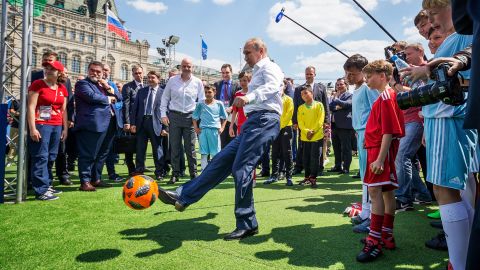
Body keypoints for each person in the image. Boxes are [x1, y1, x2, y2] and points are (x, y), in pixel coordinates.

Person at [157, 37, 283, 241]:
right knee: (220, 160)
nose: (244, 57)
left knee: (242, 169)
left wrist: (248, 97)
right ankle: (183, 195)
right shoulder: (257, 71)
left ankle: (247, 223)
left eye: (247, 53)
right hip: (253, 122)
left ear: (260, 51)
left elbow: (273, 87)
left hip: (264, 120)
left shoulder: (270, 67)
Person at [401, 2, 477, 268]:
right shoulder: (460, 37)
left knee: (445, 190)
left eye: (434, 13)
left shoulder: (462, 36)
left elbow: (457, 82)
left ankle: (458, 261)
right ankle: (463, 257)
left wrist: (427, 70)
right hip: (446, 119)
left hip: (447, 118)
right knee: (459, 189)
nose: (432, 22)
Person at [356, 60, 405, 263]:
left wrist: (380, 159)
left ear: (383, 75)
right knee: (386, 192)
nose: (366, 80)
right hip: (378, 151)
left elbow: (388, 131)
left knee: (375, 192)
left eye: (370, 76)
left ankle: (374, 239)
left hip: (378, 151)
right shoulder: (385, 96)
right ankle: (385, 234)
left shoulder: (385, 97)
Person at [393, 43, 432, 212]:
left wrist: (394, 85)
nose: (406, 57)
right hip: (407, 119)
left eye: (409, 54)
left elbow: (415, 92)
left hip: (417, 119)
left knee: (402, 157)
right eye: (405, 54)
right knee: (402, 158)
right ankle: (423, 194)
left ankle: (404, 198)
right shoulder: (408, 70)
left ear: (420, 51)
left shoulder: (426, 68)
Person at [344, 54, 379, 233]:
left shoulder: (367, 87)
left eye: (352, 74)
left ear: (363, 72)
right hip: (360, 133)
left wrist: (370, 134)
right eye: (347, 73)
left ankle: (373, 215)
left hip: (368, 134)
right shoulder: (357, 89)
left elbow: (377, 109)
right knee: (365, 175)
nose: (348, 77)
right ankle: (366, 212)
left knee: (371, 177)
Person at [74, 61, 122, 191]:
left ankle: (96, 179)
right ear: (88, 70)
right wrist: (108, 99)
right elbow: (91, 97)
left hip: (110, 123)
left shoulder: (103, 85)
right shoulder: (82, 84)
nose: (95, 73)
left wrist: (107, 87)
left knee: (102, 153)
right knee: (88, 153)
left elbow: (119, 97)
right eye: (92, 70)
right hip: (92, 124)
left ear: (102, 73)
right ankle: (85, 181)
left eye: (98, 71)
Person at [27, 60, 68, 200]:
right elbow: (31, 107)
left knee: (51, 156)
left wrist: (65, 129)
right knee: (41, 156)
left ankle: (47, 185)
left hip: (56, 125)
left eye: (52, 69)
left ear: (59, 73)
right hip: (41, 125)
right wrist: (32, 128)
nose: (48, 70)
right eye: (47, 68)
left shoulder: (62, 88)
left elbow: (64, 110)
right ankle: (41, 190)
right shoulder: (37, 84)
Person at [160, 58, 205, 184]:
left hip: (190, 117)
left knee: (190, 148)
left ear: (192, 67)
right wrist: (163, 115)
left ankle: (193, 174)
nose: (186, 68)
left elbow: (201, 101)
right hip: (174, 117)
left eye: (188, 66)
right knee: (174, 147)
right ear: (180, 67)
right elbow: (165, 98)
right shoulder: (172, 81)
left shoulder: (197, 82)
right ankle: (175, 174)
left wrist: (197, 117)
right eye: (184, 66)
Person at [293, 66, 329, 175]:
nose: (308, 76)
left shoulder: (321, 88)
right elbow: (296, 105)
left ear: (315, 75)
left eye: (311, 74)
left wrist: (326, 121)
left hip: (318, 123)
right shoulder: (299, 89)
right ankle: (299, 167)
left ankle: (319, 168)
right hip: (303, 123)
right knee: (302, 145)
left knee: (318, 147)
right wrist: (295, 122)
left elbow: (325, 104)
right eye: (307, 74)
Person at [130, 71, 166, 181]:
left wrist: (165, 128)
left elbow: (167, 111)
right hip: (141, 123)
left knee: (157, 149)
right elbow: (134, 109)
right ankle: (139, 170)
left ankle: (159, 172)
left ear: (158, 79)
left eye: (153, 78)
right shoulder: (141, 91)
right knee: (140, 148)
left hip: (156, 123)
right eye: (149, 77)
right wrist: (133, 124)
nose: (150, 79)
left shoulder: (163, 92)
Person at [264, 81, 294, 186]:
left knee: (287, 152)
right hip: (274, 128)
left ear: (285, 86)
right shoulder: (272, 100)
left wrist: (278, 126)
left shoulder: (289, 99)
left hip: (285, 128)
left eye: (281, 85)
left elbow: (288, 115)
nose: (279, 87)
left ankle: (289, 177)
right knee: (275, 152)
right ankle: (274, 176)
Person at [192, 85, 227, 171]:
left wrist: (222, 127)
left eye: (210, 92)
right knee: (204, 152)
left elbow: (225, 117)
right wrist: (196, 128)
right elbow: (194, 117)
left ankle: (215, 171)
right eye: (206, 92)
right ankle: (204, 171)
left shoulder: (219, 104)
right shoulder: (200, 104)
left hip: (214, 131)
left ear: (214, 92)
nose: (207, 94)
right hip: (203, 131)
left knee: (215, 153)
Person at [297, 85, 325, 188]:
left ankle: (313, 178)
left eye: (305, 93)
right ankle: (306, 177)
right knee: (306, 158)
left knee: (315, 158)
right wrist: (306, 131)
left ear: (311, 93)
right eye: (301, 94)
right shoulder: (300, 108)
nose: (303, 96)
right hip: (305, 137)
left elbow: (320, 120)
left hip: (316, 136)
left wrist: (312, 131)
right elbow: (300, 122)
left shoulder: (319, 105)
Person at [103, 64, 124, 182]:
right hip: (98, 121)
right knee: (97, 150)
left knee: (110, 150)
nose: (105, 72)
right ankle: (93, 176)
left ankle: (112, 173)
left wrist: (108, 88)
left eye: (107, 70)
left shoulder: (111, 84)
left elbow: (119, 97)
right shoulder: (92, 84)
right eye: (103, 70)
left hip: (112, 121)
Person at [121, 66, 144, 175]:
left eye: (140, 73)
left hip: (144, 121)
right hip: (132, 121)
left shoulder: (147, 86)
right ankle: (131, 168)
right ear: (132, 74)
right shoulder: (127, 86)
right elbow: (126, 105)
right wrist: (127, 122)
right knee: (130, 145)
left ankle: (140, 166)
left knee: (141, 145)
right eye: (136, 73)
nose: (138, 75)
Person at [329, 78, 354, 174]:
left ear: (346, 85)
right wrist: (338, 106)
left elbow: (347, 104)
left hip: (345, 125)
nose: (339, 86)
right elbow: (330, 107)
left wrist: (336, 100)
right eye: (337, 85)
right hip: (335, 125)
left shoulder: (350, 95)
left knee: (346, 148)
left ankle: (346, 168)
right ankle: (337, 165)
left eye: (341, 84)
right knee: (336, 147)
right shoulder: (336, 96)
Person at [214, 64, 240, 148]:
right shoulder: (217, 85)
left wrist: (232, 108)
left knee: (232, 141)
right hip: (220, 117)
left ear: (231, 72)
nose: (225, 75)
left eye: (227, 72)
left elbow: (238, 100)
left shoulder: (237, 86)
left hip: (232, 116)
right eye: (223, 73)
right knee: (221, 142)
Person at [229, 71, 250, 137]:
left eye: (244, 80)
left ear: (250, 81)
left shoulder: (253, 94)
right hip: (240, 125)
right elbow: (235, 111)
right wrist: (231, 126)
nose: (242, 83)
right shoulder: (237, 94)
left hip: (251, 125)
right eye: (240, 81)